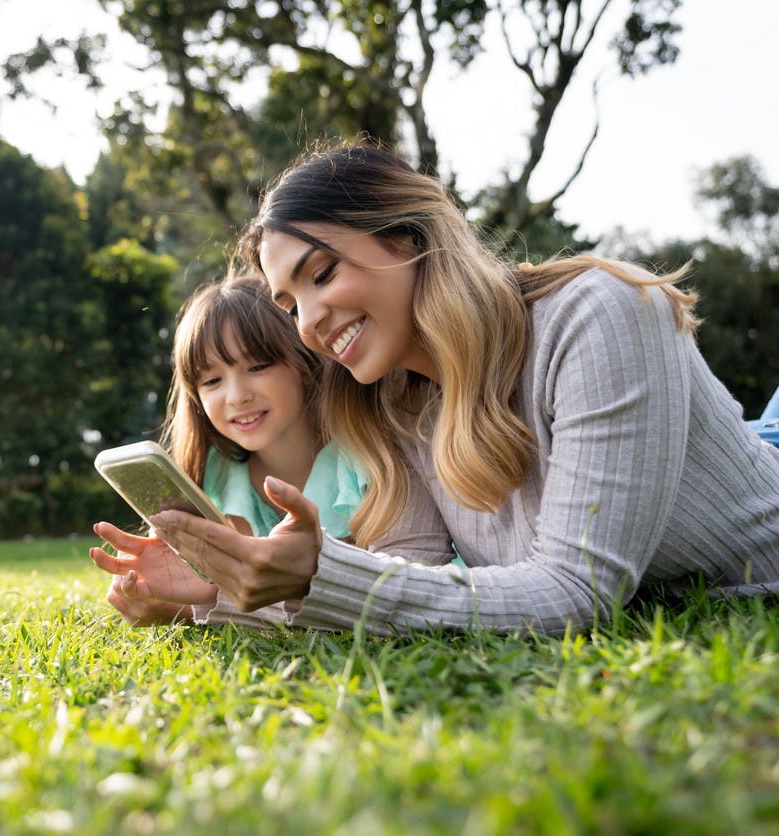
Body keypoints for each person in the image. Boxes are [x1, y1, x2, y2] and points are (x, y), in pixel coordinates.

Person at [91, 142, 779, 635]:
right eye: (289, 303)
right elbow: (407, 582)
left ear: (409, 237)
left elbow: (577, 592)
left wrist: (317, 575)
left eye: (322, 273)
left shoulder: (597, 315)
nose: (309, 325)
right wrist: (216, 595)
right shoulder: (392, 400)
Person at [91, 275, 368, 626]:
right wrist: (168, 594)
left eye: (257, 366)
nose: (237, 396)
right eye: (212, 380)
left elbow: (376, 589)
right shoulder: (215, 476)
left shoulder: (359, 460)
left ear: (305, 362)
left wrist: (204, 605)